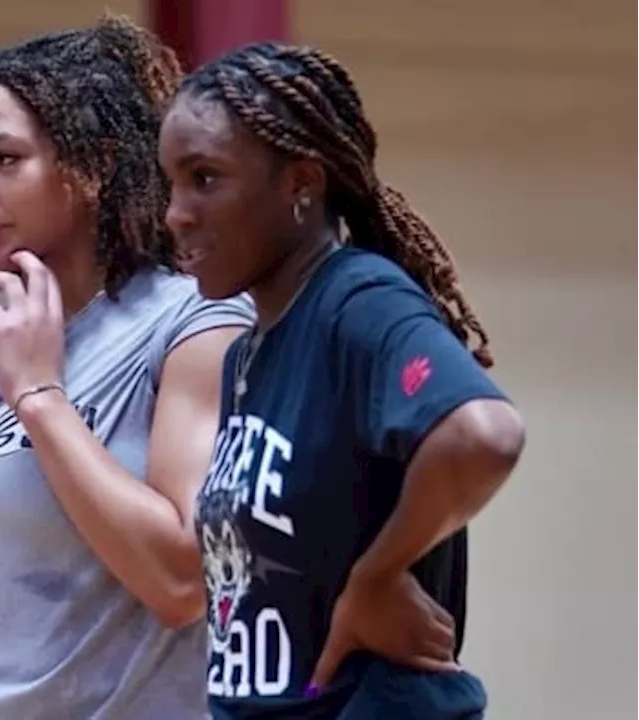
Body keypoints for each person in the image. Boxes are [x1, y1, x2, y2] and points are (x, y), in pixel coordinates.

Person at [0, 15, 256, 720]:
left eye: (4, 158)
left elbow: (180, 580)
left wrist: (40, 396)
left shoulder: (193, 325)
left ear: (93, 164)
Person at [158, 42, 526, 718]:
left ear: (302, 183)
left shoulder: (359, 302)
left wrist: (378, 577)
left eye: (205, 178)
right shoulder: (249, 352)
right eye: (171, 184)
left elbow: (484, 435)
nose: (175, 212)